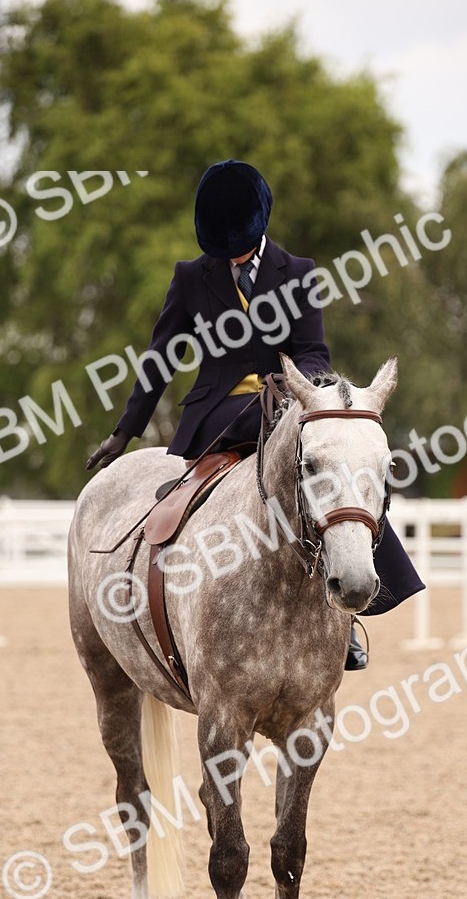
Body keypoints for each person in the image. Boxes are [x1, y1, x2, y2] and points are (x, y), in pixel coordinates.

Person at [86, 159, 424, 668]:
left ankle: (350, 612)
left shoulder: (300, 273)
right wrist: (125, 431)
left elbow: (314, 352)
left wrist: (291, 384)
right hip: (216, 415)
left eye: (238, 247)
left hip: (285, 404)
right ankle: (171, 605)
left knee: (345, 479)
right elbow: (160, 358)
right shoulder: (190, 278)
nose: (231, 257)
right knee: (180, 512)